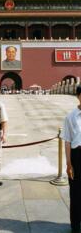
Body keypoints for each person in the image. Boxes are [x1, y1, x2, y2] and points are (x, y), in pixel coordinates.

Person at [60, 85, 81, 233]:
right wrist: (68, 163)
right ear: (78, 96)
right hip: (77, 156)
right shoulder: (70, 117)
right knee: (75, 192)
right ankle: (75, 226)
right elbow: (67, 141)